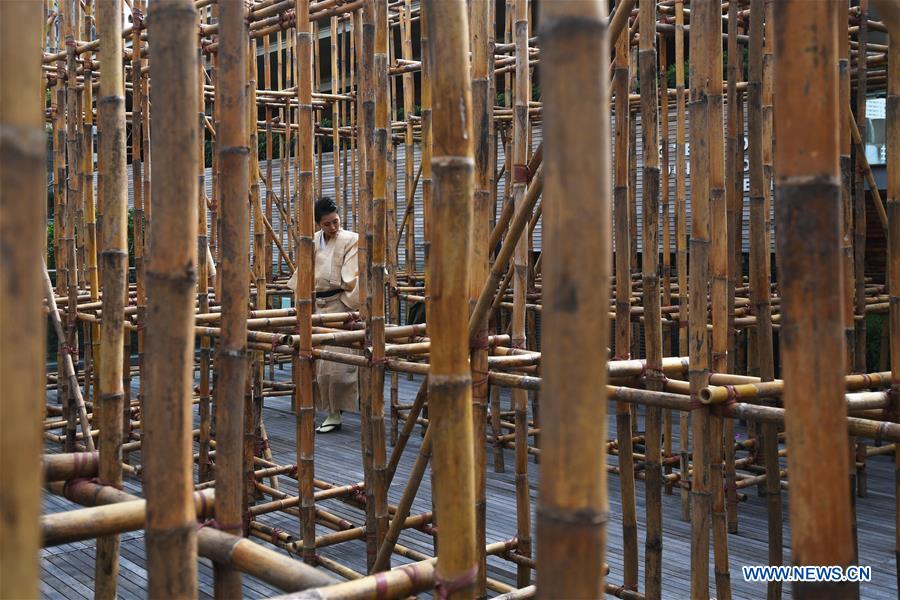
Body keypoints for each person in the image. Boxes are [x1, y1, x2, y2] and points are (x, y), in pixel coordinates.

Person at [287, 197, 359, 433]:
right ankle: (330, 411)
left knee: (335, 364)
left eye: (336, 221)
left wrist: (349, 306)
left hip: (340, 305)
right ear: (318, 224)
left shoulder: (351, 239)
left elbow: (352, 277)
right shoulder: (311, 241)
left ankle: (335, 412)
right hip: (316, 306)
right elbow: (303, 274)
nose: (333, 227)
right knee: (317, 362)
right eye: (327, 224)